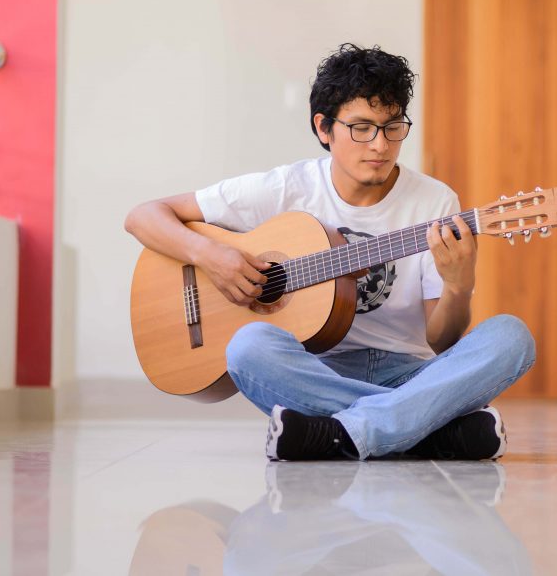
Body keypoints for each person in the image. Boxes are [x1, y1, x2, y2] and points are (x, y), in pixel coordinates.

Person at [124, 43, 535, 461]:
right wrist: (212, 256)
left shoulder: (435, 203)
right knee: (247, 347)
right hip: (315, 372)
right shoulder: (287, 188)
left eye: (393, 127)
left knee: (511, 337)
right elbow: (143, 217)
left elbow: (442, 341)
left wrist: (458, 287)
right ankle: (424, 428)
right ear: (324, 128)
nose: (379, 146)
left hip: (410, 374)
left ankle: (341, 431)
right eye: (361, 127)